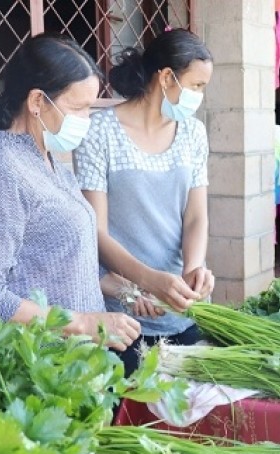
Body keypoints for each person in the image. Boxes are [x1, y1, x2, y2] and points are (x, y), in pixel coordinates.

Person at [0, 33, 140, 352]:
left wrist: (125, 292)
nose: (86, 120)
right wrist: (81, 323)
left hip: (79, 366)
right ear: (38, 101)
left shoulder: (48, 162)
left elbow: (56, 264)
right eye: (78, 108)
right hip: (37, 373)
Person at [74, 29, 214, 375]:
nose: (199, 96)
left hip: (183, 307)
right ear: (166, 77)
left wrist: (193, 269)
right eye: (196, 86)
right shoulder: (99, 132)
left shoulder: (193, 132)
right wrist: (148, 282)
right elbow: (97, 233)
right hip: (125, 312)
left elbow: (196, 215)